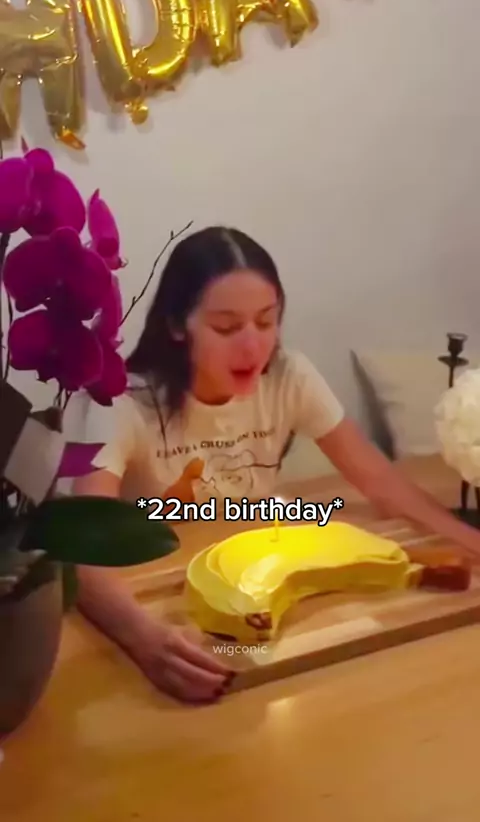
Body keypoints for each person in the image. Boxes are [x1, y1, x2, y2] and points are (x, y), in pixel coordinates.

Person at [71, 226, 480, 703]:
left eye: (266, 322)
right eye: (226, 328)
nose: (253, 347)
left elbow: (381, 482)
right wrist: (145, 639)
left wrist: (469, 540)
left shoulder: (290, 376)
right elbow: (78, 552)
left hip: (260, 579)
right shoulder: (121, 402)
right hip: (158, 597)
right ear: (177, 325)